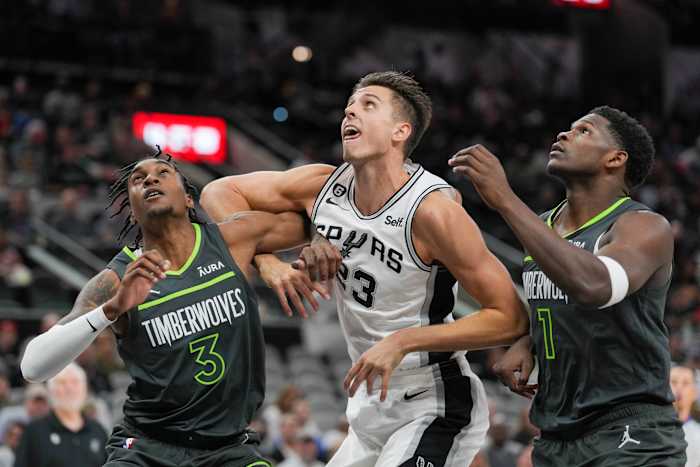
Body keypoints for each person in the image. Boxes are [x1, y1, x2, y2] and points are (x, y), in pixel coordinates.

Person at [201, 71, 529, 466]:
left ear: (400, 132)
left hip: (434, 400)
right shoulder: (323, 188)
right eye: (348, 108)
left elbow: (510, 317)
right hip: (368, 407)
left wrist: (403, 341)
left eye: (367, 105)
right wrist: (268, 262)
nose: (350, 113)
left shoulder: (433, 211)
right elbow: (218, 192)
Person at [20, 149, 336, 467]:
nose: (150, 179)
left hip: (227, 449)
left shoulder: (232, 240)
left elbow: (318, 213)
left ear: (188, 199)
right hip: (147, 448)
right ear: (132, 212)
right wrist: (112, 309)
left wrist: (315, 241)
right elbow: (33, 367)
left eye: (162, 173)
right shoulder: (118, 279)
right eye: (138, 179)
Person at [450, 106, 687, 465]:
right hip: (557, 433)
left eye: (584, 131)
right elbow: (559, 298)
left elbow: (594, 287)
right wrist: (527, 338)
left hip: (631, 432)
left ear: (615, 159)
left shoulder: (643, 226)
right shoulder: (543, 226)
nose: (563, 135)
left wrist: (504, 199)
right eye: (567, 129)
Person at [14, 363, 108, 467]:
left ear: (85, 389)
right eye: (62, 383)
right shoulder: (34, 432)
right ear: (51, 391)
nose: (69, 388)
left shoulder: (98, 431)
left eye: (75, 382)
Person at [670, 365, 700, 467]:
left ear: (695, 392)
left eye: (685, 383)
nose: (679, 388)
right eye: (674, 382)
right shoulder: (651, 428)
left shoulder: (698, 434)